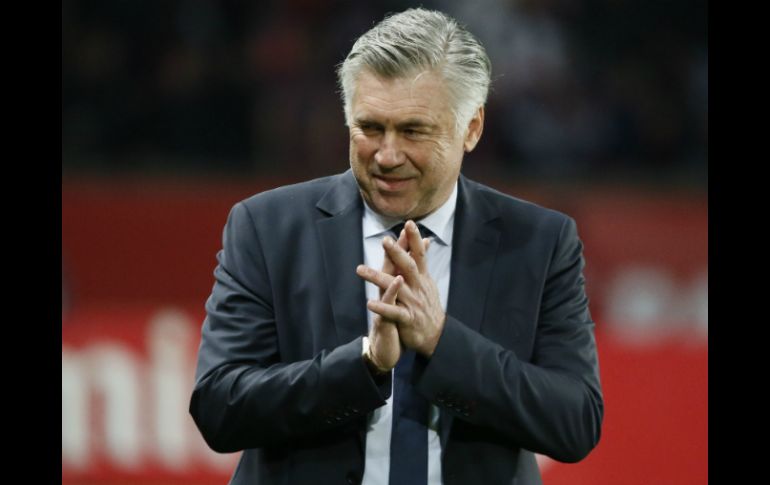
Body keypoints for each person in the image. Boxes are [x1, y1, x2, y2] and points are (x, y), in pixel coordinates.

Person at [189, 8, 603, 485]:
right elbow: (219, 406)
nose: (387, 155)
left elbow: (575, 421)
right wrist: (363, 364)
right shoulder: (268, 228)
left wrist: (441, 342)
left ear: (471, 128)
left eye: (413, 131)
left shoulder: (539, 242)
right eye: (369, 128)